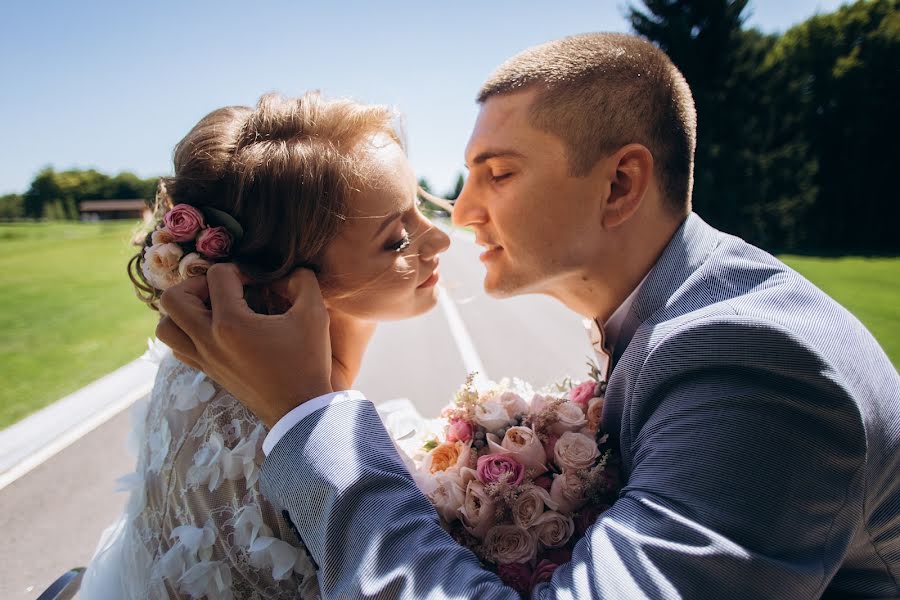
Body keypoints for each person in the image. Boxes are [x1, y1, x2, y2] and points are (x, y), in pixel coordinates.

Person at [157, 33, 900, 598]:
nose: (463, 215)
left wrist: (309, 417)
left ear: (619, 185)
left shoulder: (754, 360)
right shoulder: (680, 310)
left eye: (498, 174)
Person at [79, 91, 451, 599]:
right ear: (282, 285)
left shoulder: (193, 368)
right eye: (397, 239)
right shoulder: (329, 462)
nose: (440, 239)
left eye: (420, 203)